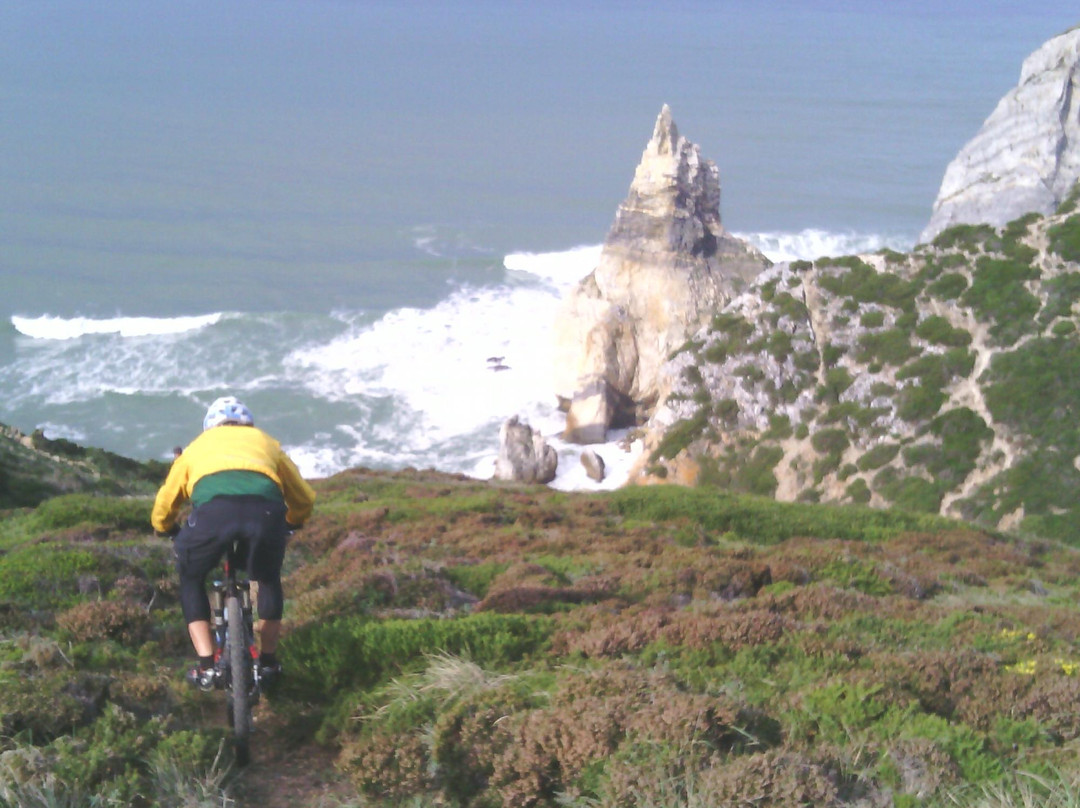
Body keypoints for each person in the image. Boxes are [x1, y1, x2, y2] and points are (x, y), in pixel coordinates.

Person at [151, 396, 316, 690]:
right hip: (265, 514)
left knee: (191, 579)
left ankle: (206, 667)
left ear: (209, 427)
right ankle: (267, 663)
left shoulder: (195, 448)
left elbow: (165, 502)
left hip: (213, 516)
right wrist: (292, 521)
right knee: (267, 581)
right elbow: (304, 498)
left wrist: (166, 528)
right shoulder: (267, 442)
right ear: (248, 424)